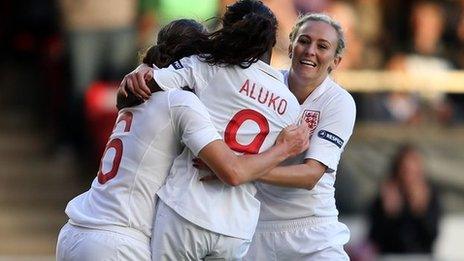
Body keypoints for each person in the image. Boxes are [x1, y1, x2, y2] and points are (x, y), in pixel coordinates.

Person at [56, 18, 309, 261]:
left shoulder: (136, 94)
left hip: (77, 229)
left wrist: (143, 67)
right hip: (119, 240)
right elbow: (233, 171)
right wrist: (283, 148)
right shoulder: (181, 102)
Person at [117, 0, 305, 259]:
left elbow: (138, 91)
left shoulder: (204, 65)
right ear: (272, 42)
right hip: (236, 225)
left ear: (226, 29)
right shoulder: (290, 105)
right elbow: (273, 169)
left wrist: (141, 69)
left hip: (185, 209)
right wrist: (239, 165)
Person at [243, 13, 356, 260]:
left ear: (335, 61)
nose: (310, 51)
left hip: (313, 232)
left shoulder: (339, 102)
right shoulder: (263, 85)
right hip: (253, 230)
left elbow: (310, 175)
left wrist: (241, 170)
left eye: (322, 46)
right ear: (291, 45)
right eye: (304, 41)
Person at [368, 144, 442, 255]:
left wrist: (420, 211)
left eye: (413, 172)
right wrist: (389, 214)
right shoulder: (386, 195)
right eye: (405, 171)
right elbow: (375, 238)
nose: (409, 177)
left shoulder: (429, 195)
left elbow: (432, 237)